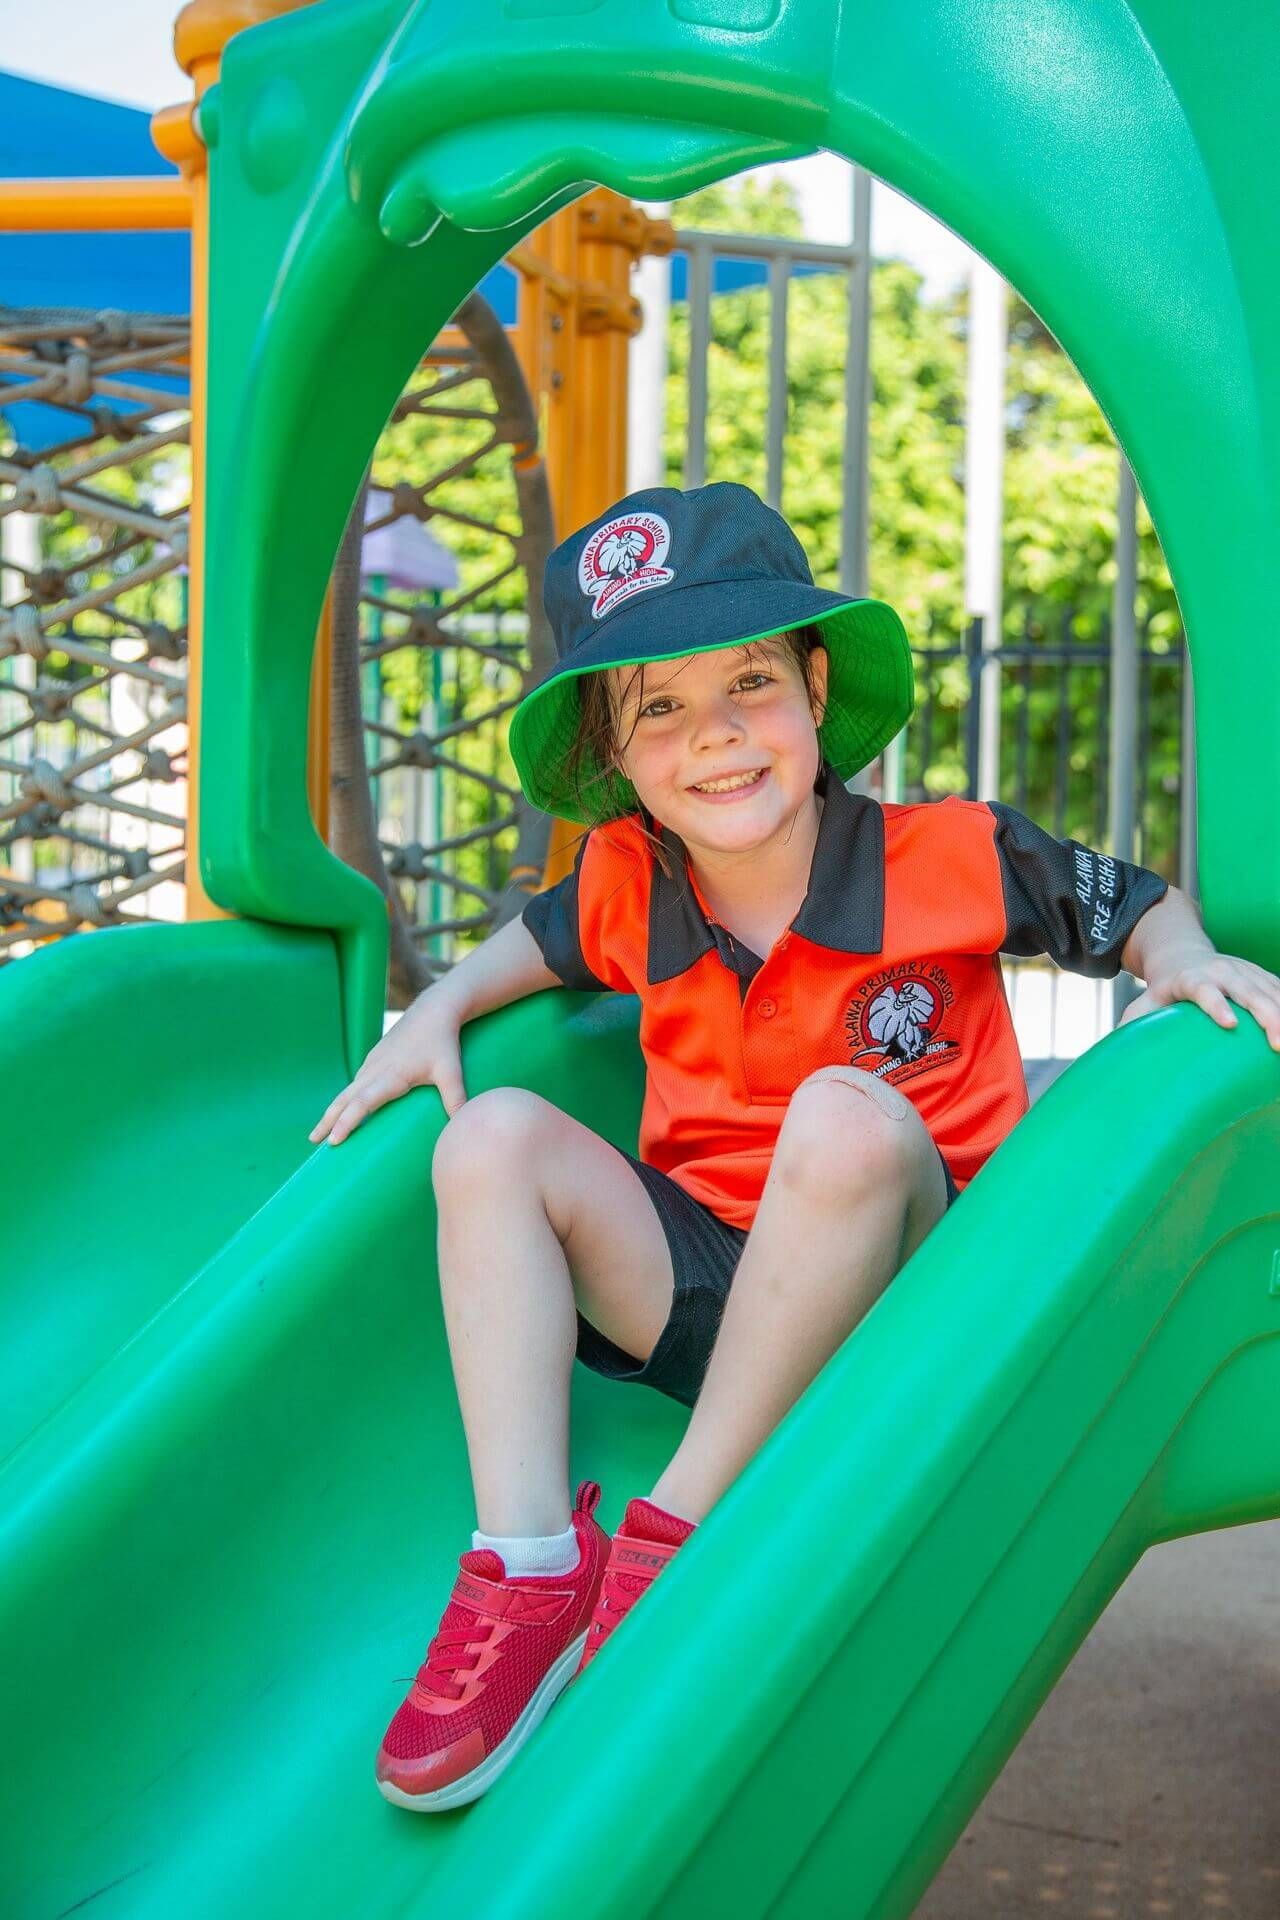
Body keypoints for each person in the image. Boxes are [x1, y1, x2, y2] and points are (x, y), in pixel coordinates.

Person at [308, 482, 1280, 1814]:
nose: (715, 737)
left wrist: (1190, 964)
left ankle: (679, 1535)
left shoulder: (951, 855)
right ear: (619, 756)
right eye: (659, 708)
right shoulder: (629, 884)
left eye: (749, 684)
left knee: (841, 1114)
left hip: (910, 1294)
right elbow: (526, 944)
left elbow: (1134, 907)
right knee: (488, 1142)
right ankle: (529, 1564)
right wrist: (436, 1015)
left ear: (816, 691)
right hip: (715, 1289)